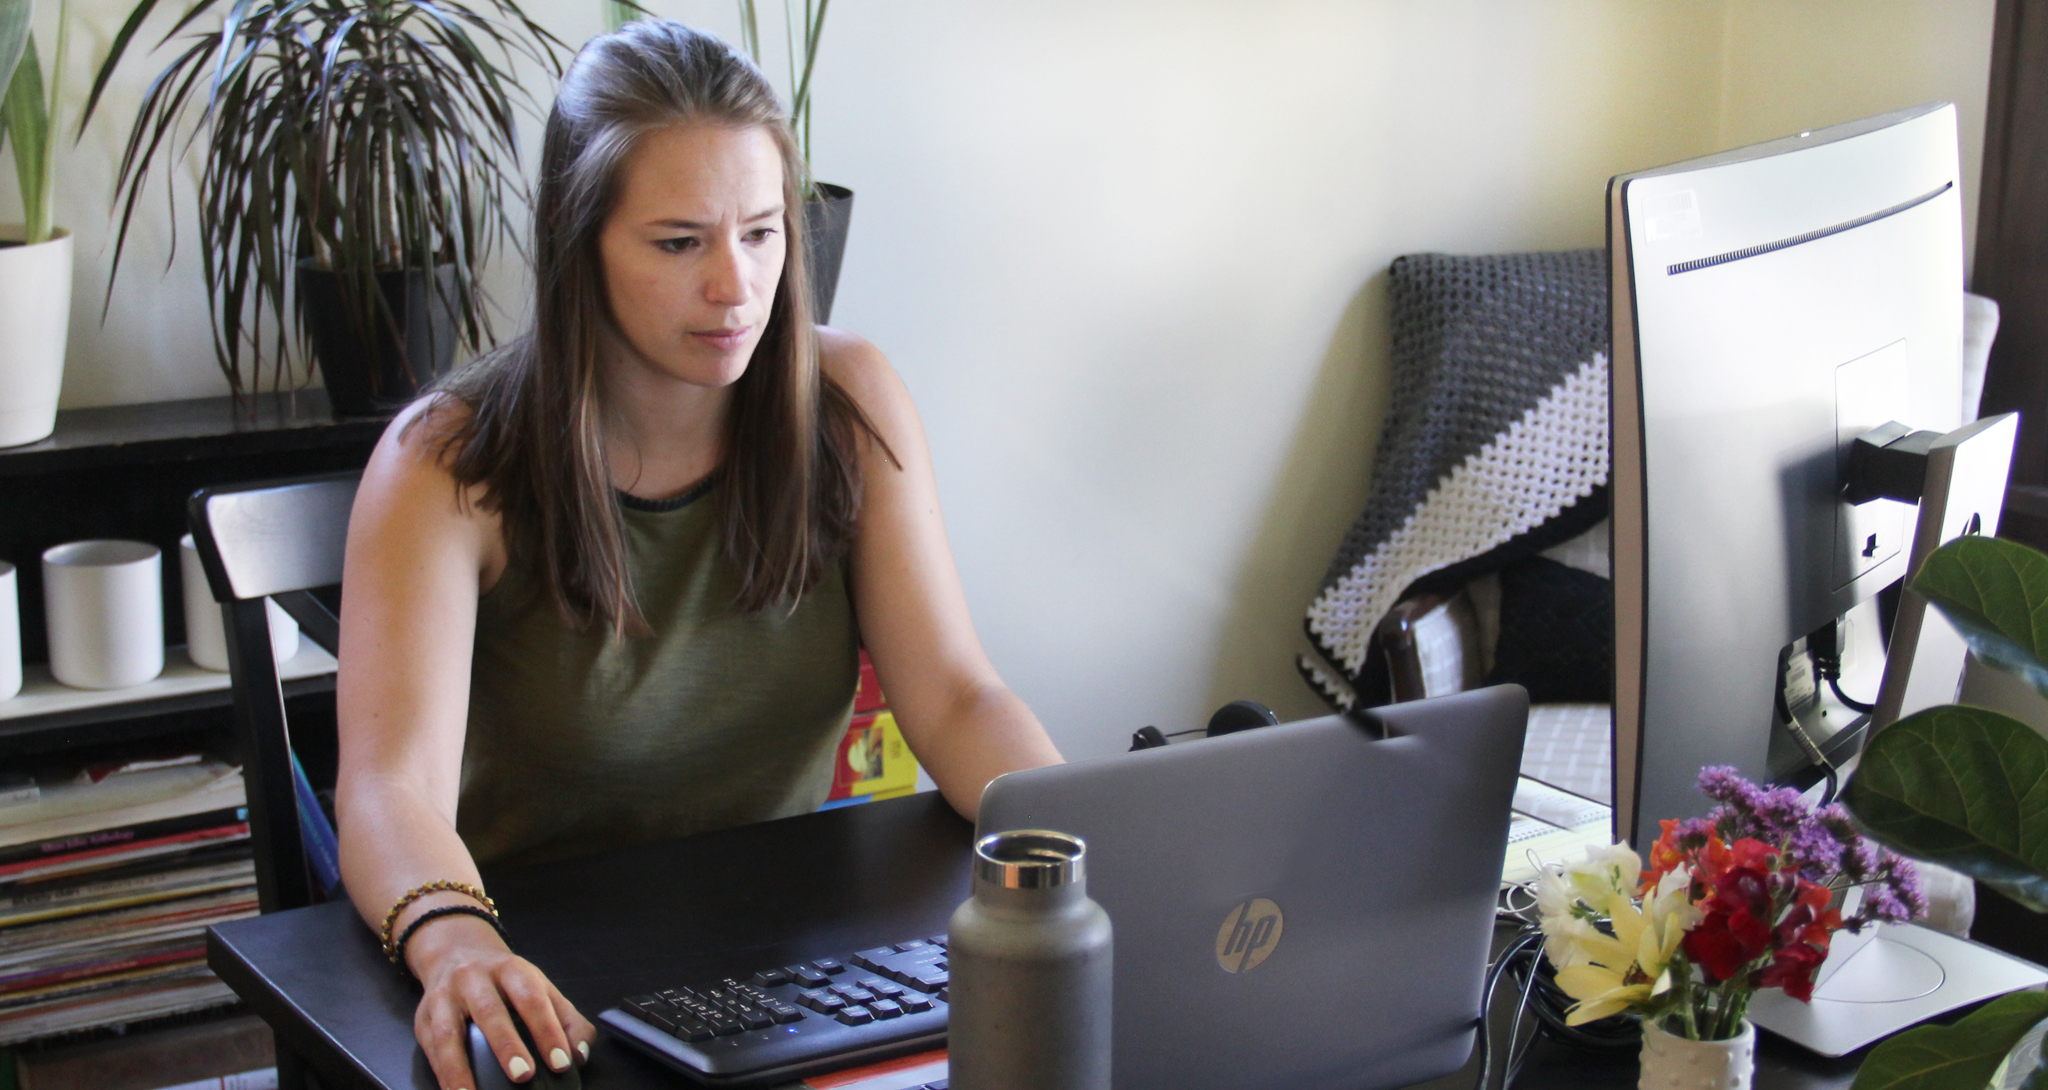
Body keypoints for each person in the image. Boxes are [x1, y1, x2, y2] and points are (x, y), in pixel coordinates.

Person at [333, 21, 1065, 1090]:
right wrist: (459, 947)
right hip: (539, 972)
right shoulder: (444, 461)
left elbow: (955, 698)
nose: (736, 286)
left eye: (763, 232)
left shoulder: (848, 400)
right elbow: (389, 791)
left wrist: (1079, 851)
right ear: (578, 243)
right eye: (679, 243)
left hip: (779, 959)